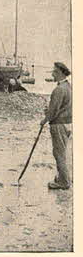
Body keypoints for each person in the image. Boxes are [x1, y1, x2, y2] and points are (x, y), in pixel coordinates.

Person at [40, 62, 72, 190]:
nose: (52, 74)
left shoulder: (59, 89)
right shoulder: (68, 87)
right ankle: (63, 178)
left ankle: (63, 182)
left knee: (59, 153)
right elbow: (63, 107)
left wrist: (44, 119)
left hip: (58, 125)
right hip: (67, 124)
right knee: (62, 152)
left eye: (54, 72)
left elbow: (53, 111)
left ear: (60, 73)